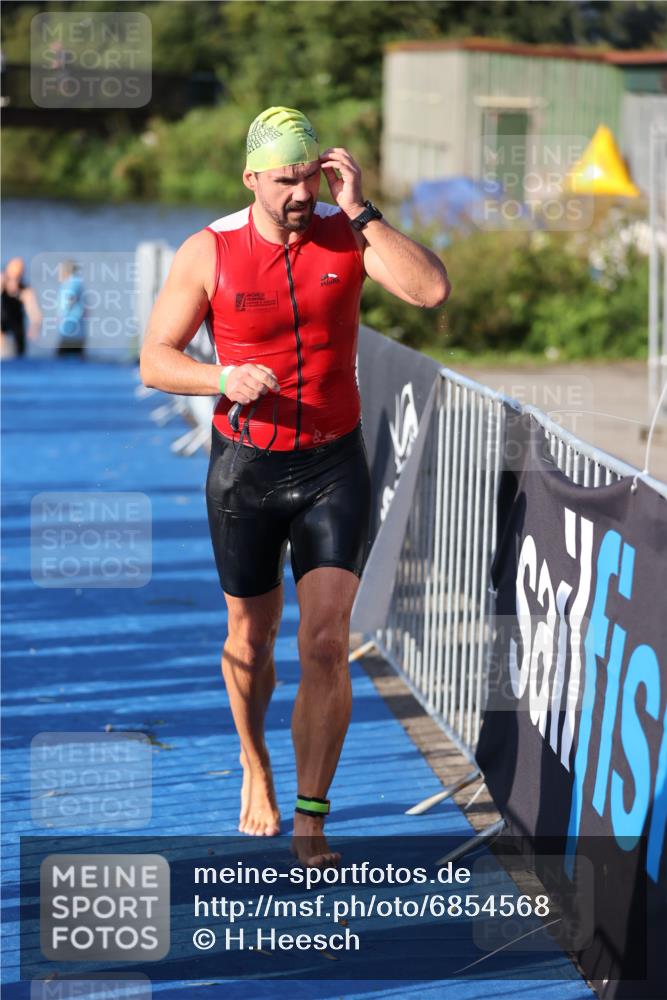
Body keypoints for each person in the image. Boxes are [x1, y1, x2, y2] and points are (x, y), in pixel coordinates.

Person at [140, 106, 450, 868]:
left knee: (325, 639)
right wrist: (220, 376)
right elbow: (154, 357)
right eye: (284, 180)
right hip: (245, 467)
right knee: (250, 642)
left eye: (308, 176)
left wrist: (360, 207)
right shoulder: (207, 251)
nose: (298, 192)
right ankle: (254, 762)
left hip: (330, 465)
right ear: (251, 178)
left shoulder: (346, 233)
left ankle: (313, 813)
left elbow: (430, 291)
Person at [1, 257, 42, 358]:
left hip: (17, 328)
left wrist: (35, 326)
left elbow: (35, 313)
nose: (15, 280)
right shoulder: (2, 283)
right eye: (12, 277)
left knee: (19, 350)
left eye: (18, 277)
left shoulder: (25, 290)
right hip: (3, 327)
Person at [56, 260, 86, 357]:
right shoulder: (76, 282)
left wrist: (62, 314)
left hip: (70, 329)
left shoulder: (72, 282)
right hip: (75, 329)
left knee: (62, 357)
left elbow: (70, 297)